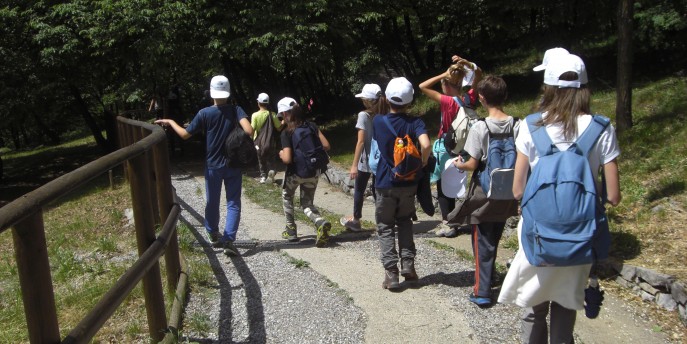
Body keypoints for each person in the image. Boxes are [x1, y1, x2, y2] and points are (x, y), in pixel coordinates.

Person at [497, 52, 621, 343]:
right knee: (566, 304)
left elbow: (518, 190)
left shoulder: (530, 125)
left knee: (533, 305)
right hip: (581, 236)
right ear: (585, 88)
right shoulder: (602, 128)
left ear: (547, 87)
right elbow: (613, 195)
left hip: (538, 233)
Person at [155, 75, 253, 256]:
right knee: (233, 202)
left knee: (212, 201)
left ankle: (212, 233)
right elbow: (249, 130)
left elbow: (185, 135)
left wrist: (170, 122)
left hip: (213, 164)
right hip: (233, 163)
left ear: (211, 93)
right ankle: (229, 239)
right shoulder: (236, 110)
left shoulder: (204, 113)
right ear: (229, 92)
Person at [451, 75, 520, 306]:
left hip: (485, 193)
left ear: (481, 98)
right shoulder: (517, 124)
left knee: (482, 241)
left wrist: (458, 163)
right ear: (506, 96)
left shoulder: (480, 126)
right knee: (494, 238)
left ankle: (481, 291)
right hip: (509, 191)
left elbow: (471, 163)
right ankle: (488, 279)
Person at [373, 77, 431, 290]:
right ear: (410, 101)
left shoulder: (378, 122)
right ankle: (408, 264)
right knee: (405, 221)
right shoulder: (416, 123)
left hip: (385, 182)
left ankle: (391, 273)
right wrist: (421, 164)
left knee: (386, 226)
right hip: (409, 183)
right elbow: (426, 144)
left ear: (387, 98)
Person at [419, 55, 482, 237]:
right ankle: (459, 219)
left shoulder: (447, 101)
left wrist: (443, 74)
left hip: (446, 147)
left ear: (446, 85)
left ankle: (448, 223)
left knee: (443, 187)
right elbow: (478, 75)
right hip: (465, 148)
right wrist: (469, 64)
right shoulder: (469, 99)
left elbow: (422, 86)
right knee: (459, 185)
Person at [277, 97, 332, 247]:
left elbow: (287, 159)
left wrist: (282, 154)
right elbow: (326, 146)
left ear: (284, 113)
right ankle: (320, 222)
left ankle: (291, 229)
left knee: (287, 196)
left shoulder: (286, 133)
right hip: (313, 172)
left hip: (295, 174)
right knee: (307, 204)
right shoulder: (311, 126)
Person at [339, 84, 389, 231]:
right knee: (378, 190)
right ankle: (384, 220)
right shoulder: (386, 113)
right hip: (382, 159)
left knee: (359, 189)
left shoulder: (363, 116)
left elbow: (361, 141)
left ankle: (355, 220)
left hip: (367, 159)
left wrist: (354, 165)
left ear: (367, 100)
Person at [251, 92, 282, 183]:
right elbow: (279, 128)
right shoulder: (272, 114)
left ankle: (263, 176)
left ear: (258, 103)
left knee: (261, 159)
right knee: (271, 159)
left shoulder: (255, 115)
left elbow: (252, 129)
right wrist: (283, 122)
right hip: (270, 142)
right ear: (267, 103)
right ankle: (271, 173)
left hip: (258, 143)